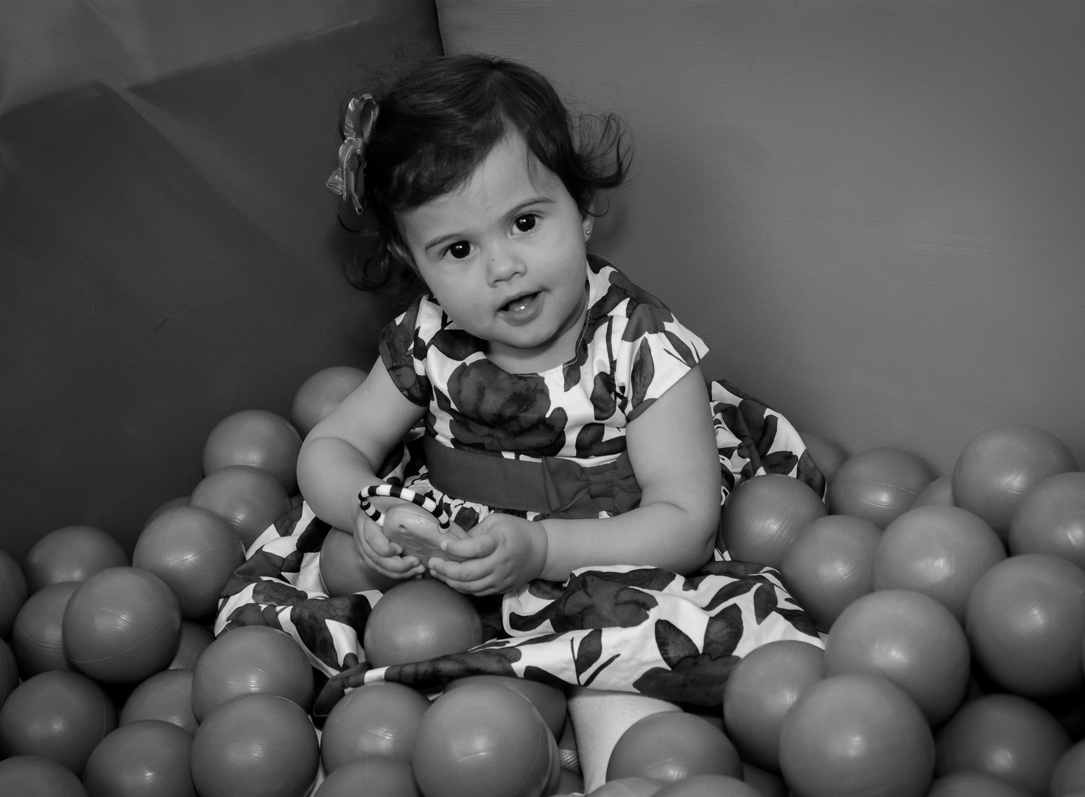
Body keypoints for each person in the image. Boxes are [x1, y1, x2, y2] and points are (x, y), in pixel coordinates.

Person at [216, 53, 824, 791]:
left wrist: (539, 547)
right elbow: (332, 446)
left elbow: (685, 519)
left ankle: (611, 773)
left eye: (526, 221)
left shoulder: (640, 343)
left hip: (606, 555)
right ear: (412, 261)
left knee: (627, 667)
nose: (503, 266)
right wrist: (374, 511)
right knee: (345, 651)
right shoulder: (429, 336)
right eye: (459, 248)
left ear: (583, 205)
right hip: (449, 567)